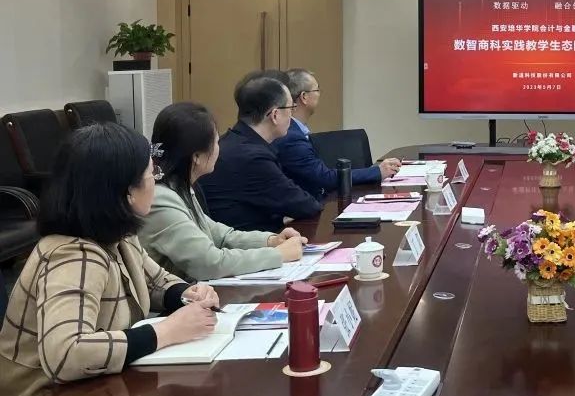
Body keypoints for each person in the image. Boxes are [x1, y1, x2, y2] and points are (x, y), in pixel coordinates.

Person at [0, 123, 220, 396]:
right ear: (127, 191)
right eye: (151, 174)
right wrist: (167, 331)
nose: (156, 182)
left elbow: (154, 282)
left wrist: (187, 295)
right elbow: (66, 353)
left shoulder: (119, 235)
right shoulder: (73, 256)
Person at [138, 101, 308, 281]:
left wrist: (271, 241)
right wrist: (278, 255)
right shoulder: (161, 199)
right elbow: (209, 263)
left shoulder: (179, 187)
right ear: (196, 157)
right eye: (216, 142)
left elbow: (221, 236)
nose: (219, 148)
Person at [198, 75, 322, 232]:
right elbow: (306, 205)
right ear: (275, 115)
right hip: (247, 242)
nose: (292, 116)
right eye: (290, 109)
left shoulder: (231, 141)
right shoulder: (252, 158)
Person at [274, 68, 401, 198]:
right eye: (317, 90)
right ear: (304, 97)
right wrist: (377, 172)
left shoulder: (295, 130)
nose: (319, 94)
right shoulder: (291, 137)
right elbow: (324, 177)